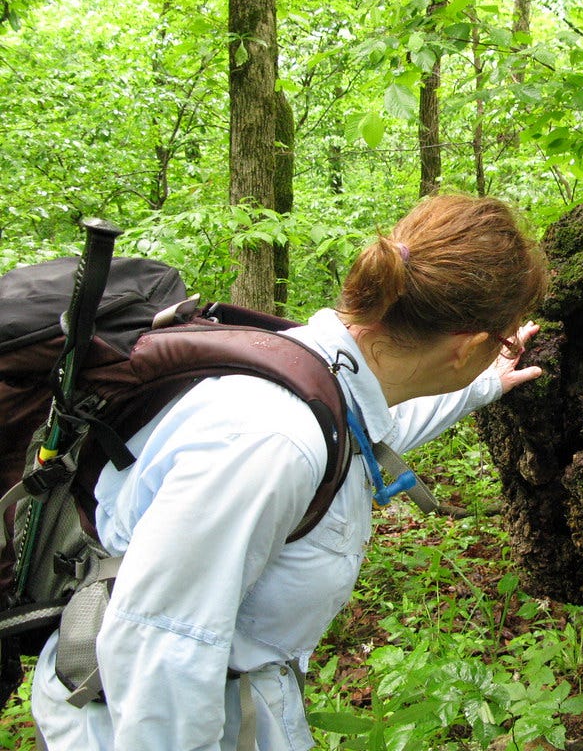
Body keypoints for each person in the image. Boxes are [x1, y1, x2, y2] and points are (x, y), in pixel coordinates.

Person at [30, 194, 548, 750]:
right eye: (497, 338)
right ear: (466, 343)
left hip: (232, 707)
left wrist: (487, 381)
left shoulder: (319, 369)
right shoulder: (271, 440)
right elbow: (161, 650)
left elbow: (378, 425)